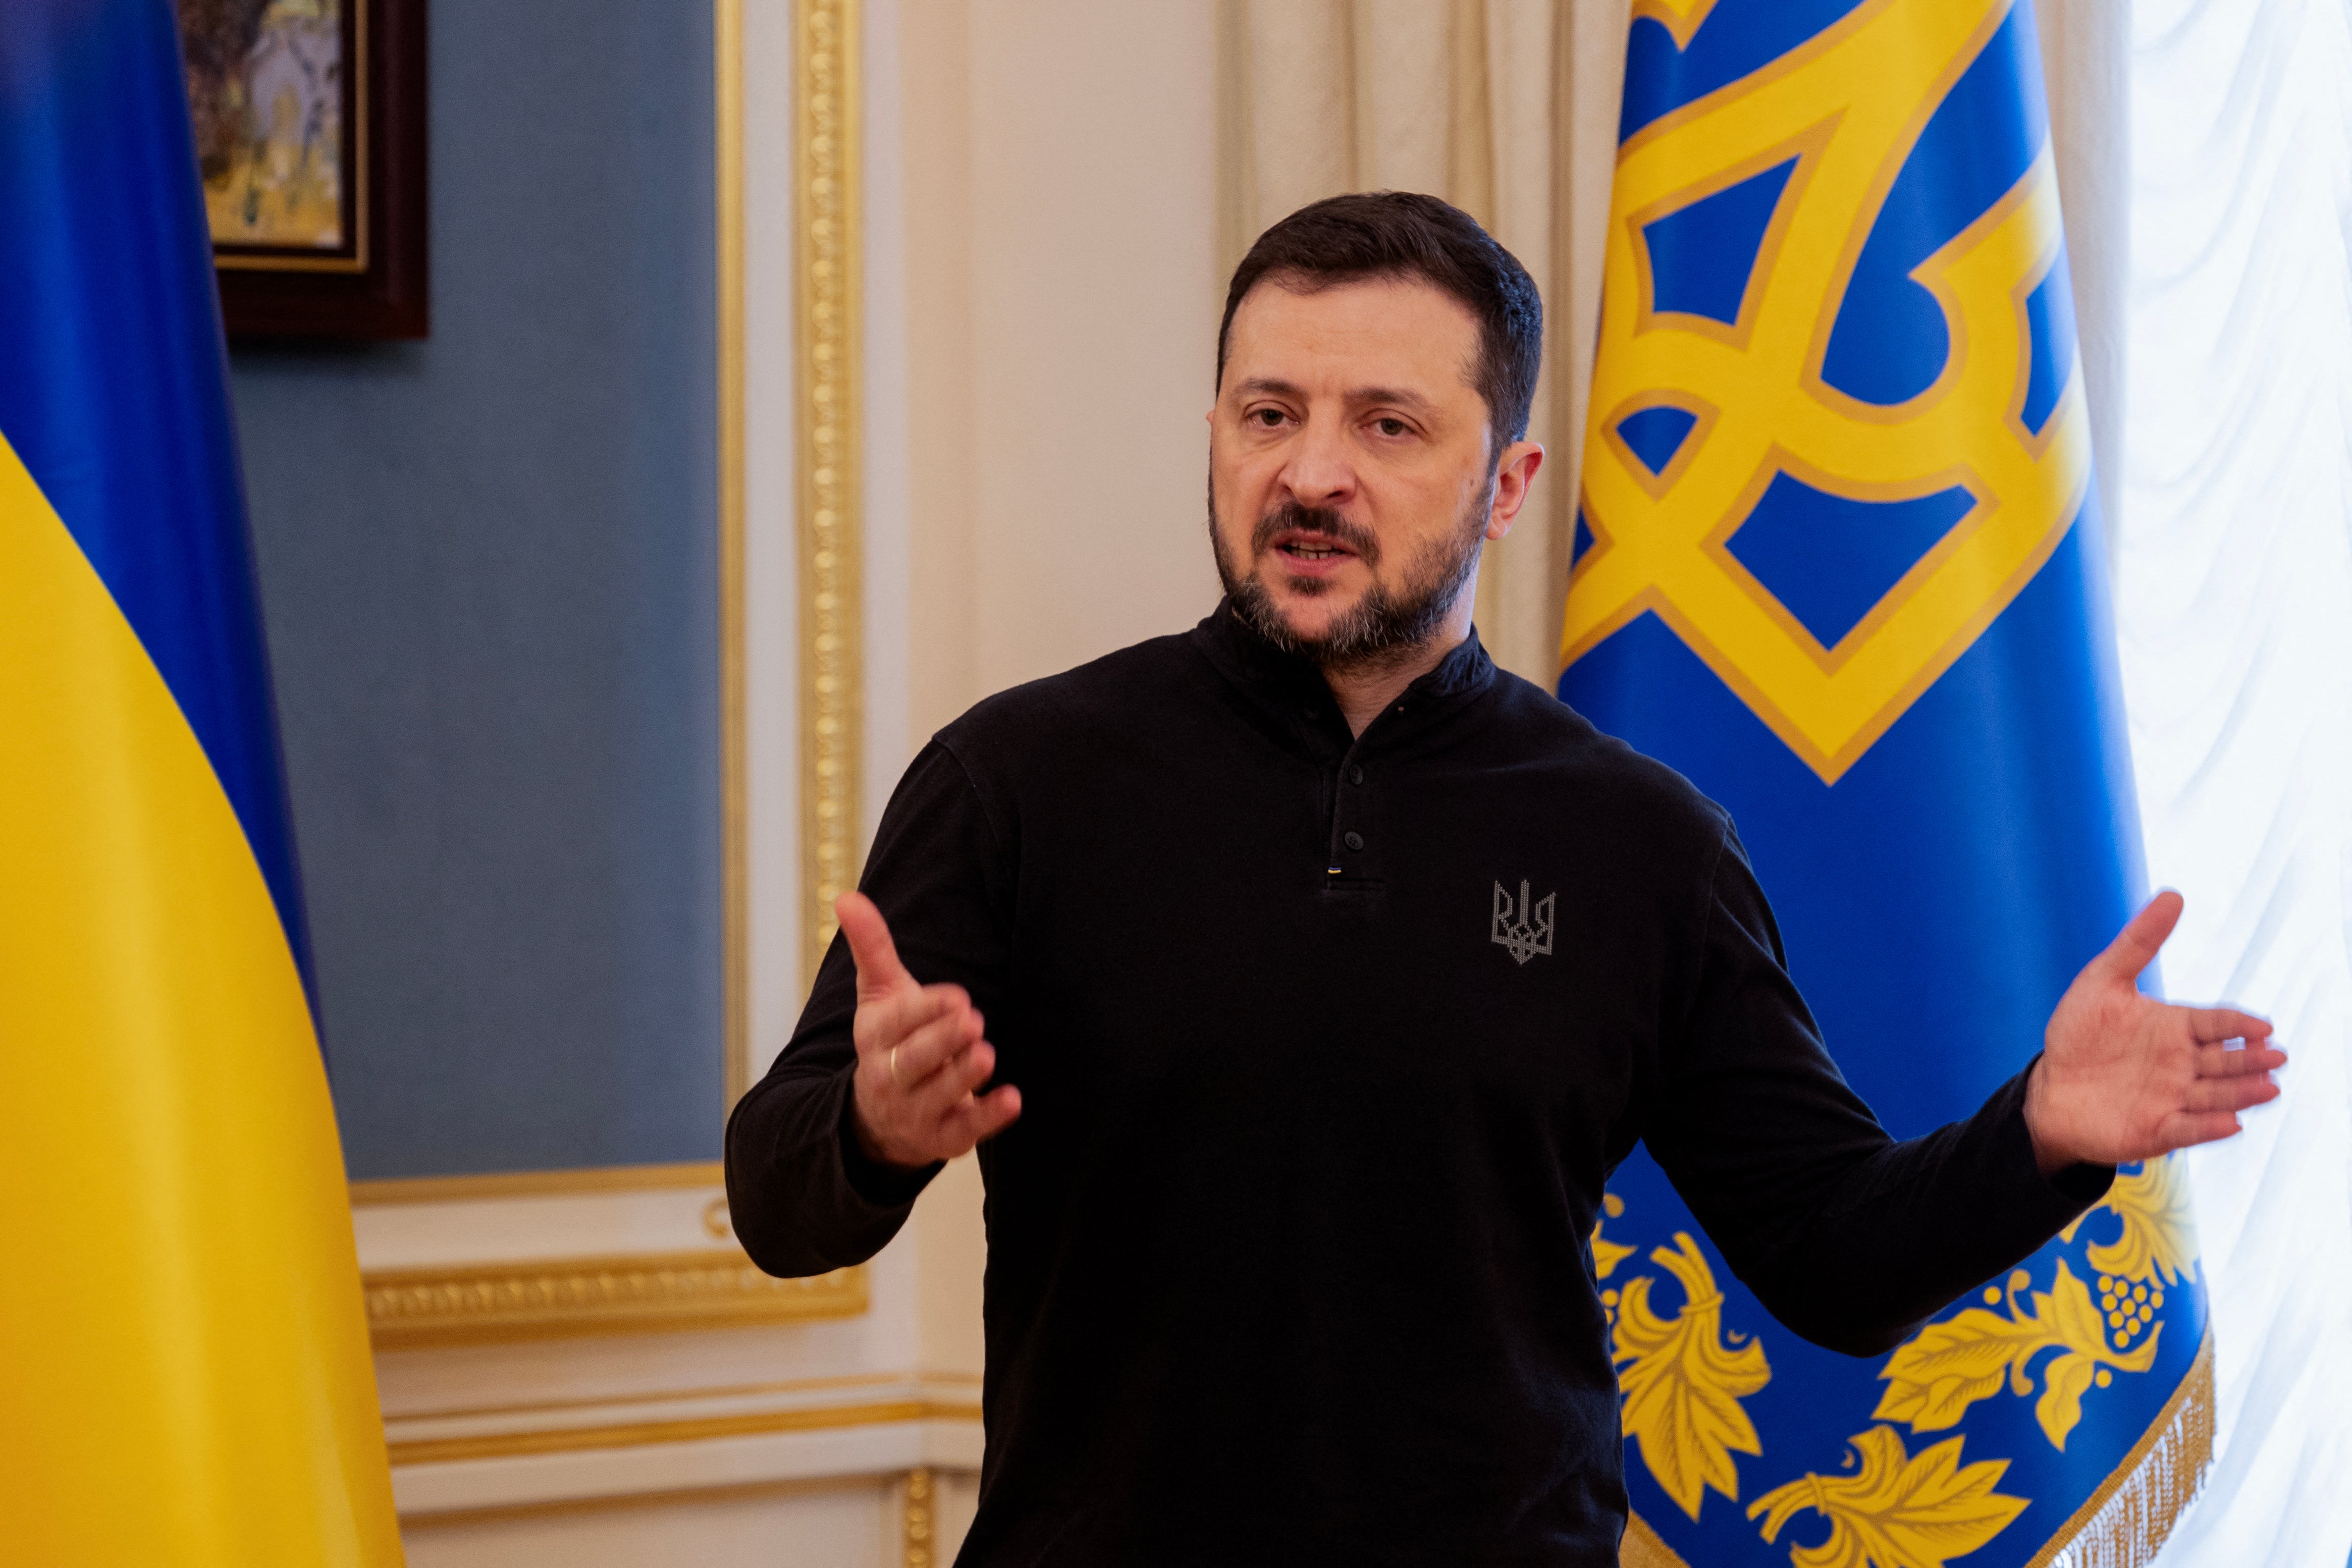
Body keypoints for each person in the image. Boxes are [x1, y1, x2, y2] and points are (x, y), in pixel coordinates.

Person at [723, 192, 2283, 1565]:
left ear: (1510, 479)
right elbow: (777, 1201)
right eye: (1267, 414)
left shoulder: (1639, 840)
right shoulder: (1016, 780)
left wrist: (2035, 1135)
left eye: (1386, 426)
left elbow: (1828, 1252)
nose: (1311, 473)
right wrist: (866, 1127)